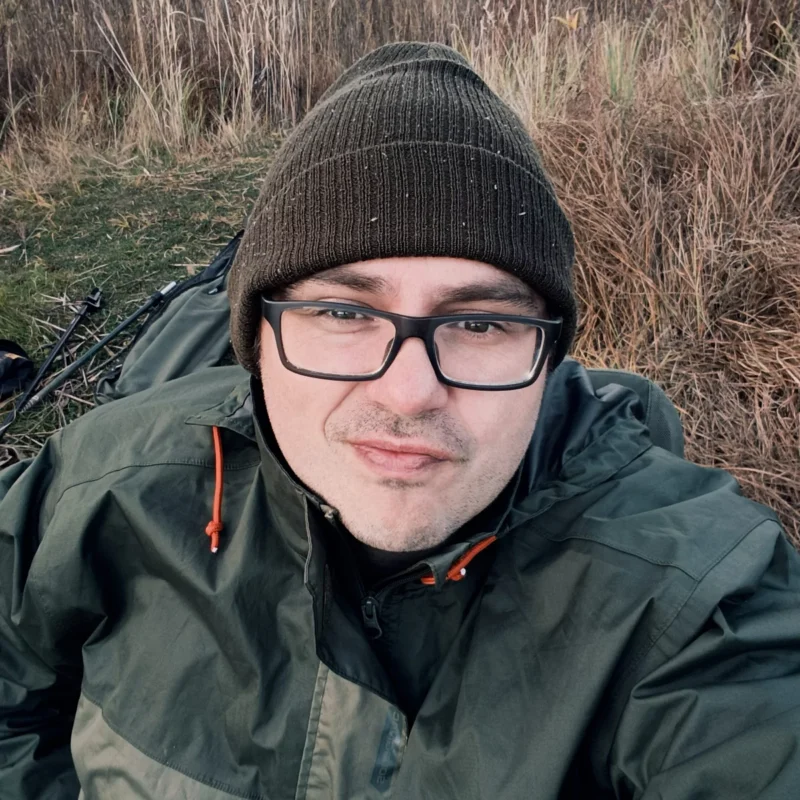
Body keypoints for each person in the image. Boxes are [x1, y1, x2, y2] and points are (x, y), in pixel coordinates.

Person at [1, 41, 799, 800]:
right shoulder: (104, 487)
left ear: (550, 356)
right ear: (258, 343)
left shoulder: (695, 600)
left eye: (481, 323)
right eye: (346, 312)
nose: (410, 392)